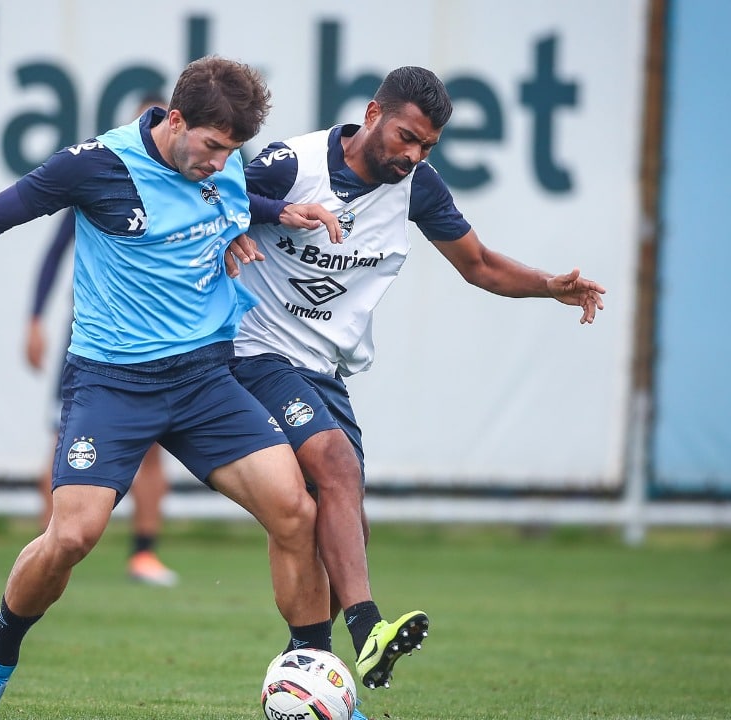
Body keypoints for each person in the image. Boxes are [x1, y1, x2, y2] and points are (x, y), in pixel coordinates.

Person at [0, 56, 341, 720]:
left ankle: (310, 681)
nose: (220, 161)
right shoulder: (96, 166)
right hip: (113, 384)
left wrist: (281, 211)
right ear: (175, 121)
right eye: (211, 147)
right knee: (72, 537)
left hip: (204, 378)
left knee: (296, 511)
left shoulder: (219, 162)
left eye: (231, 150)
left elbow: (230, 199)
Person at [236, 65, 607, 690]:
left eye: (426, 147)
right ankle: (367, 631)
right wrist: (231, 237)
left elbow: (481, 265)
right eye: (406, 137)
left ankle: (311, 671)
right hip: (255, 352)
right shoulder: (290, 163)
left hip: (324, 368)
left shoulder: (419, 189)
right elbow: (210, 203)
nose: (412, 155)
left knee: (344, 522)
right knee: (336, 467)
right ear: (373, 113)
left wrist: (549, 287)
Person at [24, 94, 179, 587]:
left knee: (153, 449)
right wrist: (34, 319)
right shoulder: (105, 176)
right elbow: (53, 252)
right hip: (94, 341)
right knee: (61, 444)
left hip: (158, 340)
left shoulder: (193, 188)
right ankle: (49, 549)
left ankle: (144, 553)